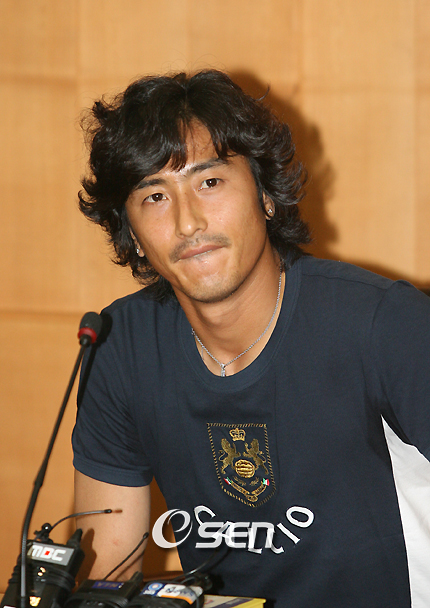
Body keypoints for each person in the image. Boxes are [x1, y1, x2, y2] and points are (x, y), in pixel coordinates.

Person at [72, 70, 430, 608]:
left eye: (210, 183)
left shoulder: (384, 325)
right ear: (133, 236)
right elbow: (106, 576)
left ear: (265, 195)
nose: (188, 223)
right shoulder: (122, 346)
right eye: (155, 196)